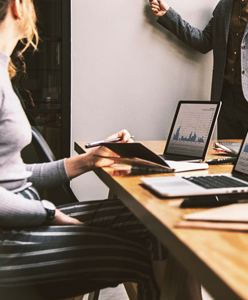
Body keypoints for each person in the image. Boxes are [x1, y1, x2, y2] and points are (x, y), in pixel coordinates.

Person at [0, 1, 165, 299]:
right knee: (141, 255)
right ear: (18, 6)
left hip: (21, 222)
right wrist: (49, 213)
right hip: (10, 239)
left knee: (157, 222)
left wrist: (90, 160)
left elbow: (10, 175)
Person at [149, 0, 248, 139]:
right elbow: (204, 42)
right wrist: (169, 15)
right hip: (225, 100)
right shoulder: (224, 4)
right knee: (226, 163)